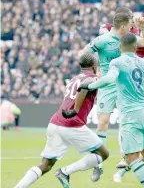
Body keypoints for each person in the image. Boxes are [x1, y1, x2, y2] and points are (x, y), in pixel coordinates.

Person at [78, 32, 144, 188]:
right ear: (136, 46)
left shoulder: (117, 62)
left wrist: (89, 85)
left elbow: (110, 79)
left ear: (120, 47)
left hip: (131, 114)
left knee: (131, 157)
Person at [14, 53, 109, 188]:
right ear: (94, 66)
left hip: (55, 122)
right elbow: (85, 85)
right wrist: (76, 110)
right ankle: (65, 172)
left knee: (45, 165)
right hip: (72, 124)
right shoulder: (92, 78)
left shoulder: (73, 79)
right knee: (103, 153)